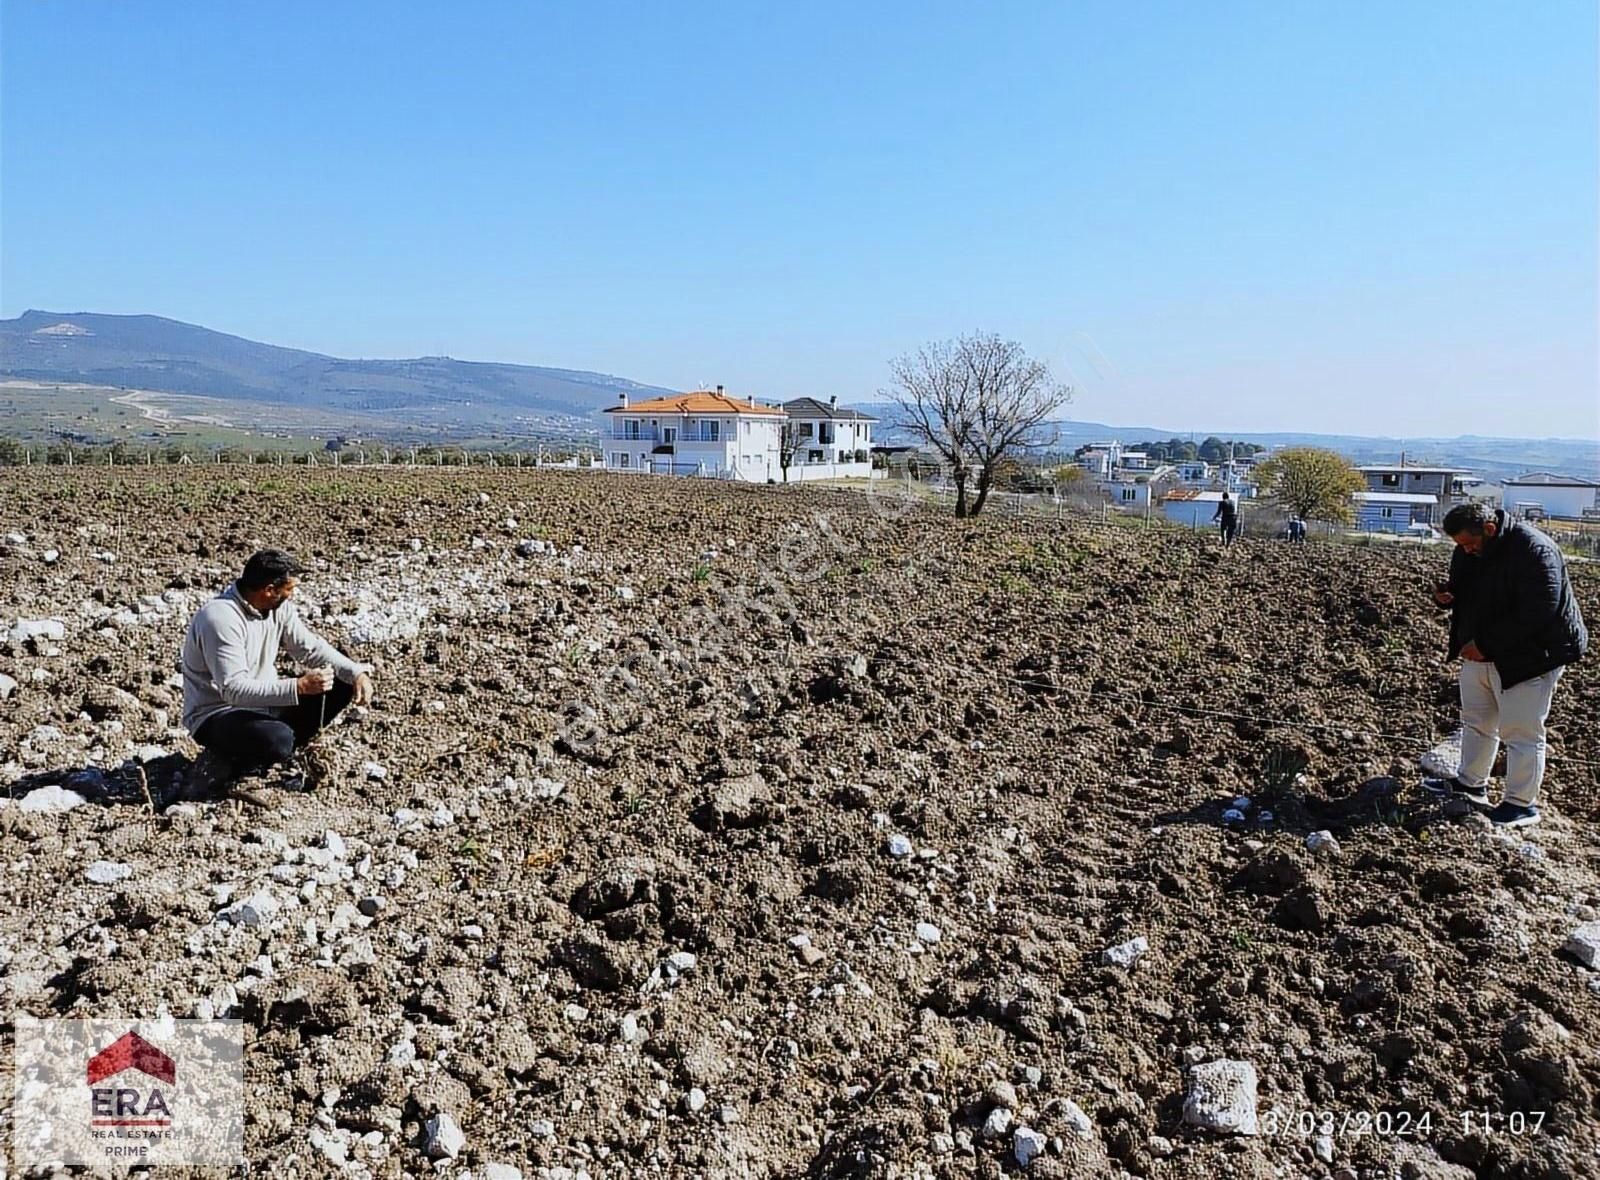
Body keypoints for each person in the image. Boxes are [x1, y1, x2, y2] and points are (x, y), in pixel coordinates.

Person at [1429, 503, 1586, 827]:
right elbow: (1466, 587)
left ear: (1489, 529)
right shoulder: (1469, 550)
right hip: (1483, 651)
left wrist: (1486, 645)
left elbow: (1539, 610)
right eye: (1460, 546)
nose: (1466, 551)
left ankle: (1520, 804)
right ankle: (1470, 784)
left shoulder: (1534, 550)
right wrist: (1448, 596)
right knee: (1477, 720)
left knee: (1521, 730)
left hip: (1533, 656)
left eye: (1470, 544)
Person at [180, 549, 374, 791]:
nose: (291, 595)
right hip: (219, 714)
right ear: (269, 590)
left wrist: (355, 672)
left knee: (341, 681)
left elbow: (310, 649)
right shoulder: (220, 619)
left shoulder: (277, 609)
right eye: (289, 589)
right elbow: (234, 690)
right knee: (278, 739)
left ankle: (278, 748)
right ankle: (235, 761)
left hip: (265, 705)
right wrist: (298, 687)